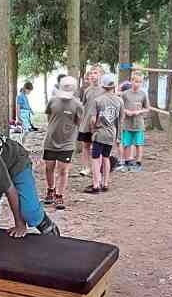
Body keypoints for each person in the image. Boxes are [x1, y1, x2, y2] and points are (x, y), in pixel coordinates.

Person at [42, 76, 82, 212]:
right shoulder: (52, 101)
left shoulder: (77, 105)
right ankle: (50, 189)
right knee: (49, 167)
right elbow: (49, 116)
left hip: (67, 143)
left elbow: (78, 122)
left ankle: (59, 195)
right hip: (50, 141)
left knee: (63, 170)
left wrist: (69, 132)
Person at [85, 73, 122, 194]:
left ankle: (96, 185)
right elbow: (120, 120)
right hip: (111, 134)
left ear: (103, 86)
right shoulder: (119, 101)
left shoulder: (98, 100)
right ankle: (106, 183)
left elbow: (92, 120)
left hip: (99, 133)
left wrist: (93, 130)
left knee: (95, 159)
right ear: (114, 86)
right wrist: (118, 136)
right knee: (106, 157)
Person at [119, 71, 152, 171]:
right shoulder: (125, 94)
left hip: (138, 124)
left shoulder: (143, 94)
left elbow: (147, 108)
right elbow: (120, 107)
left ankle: (138, 163)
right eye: (135, 81)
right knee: (126, 143)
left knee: (139, 143)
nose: (137, 84)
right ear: (131, 81)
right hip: (127, 123)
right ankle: (126, 162)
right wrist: (126, 111)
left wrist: (139, 112)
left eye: (139, 82)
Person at [76, 64, 103, 178]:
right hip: (86, 123)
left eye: (95, 73)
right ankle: (86, 167)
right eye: (91, 73)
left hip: (99, 124)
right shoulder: (87, 90)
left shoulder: (104, 90)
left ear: (101, 75)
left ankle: (98, 169)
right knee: (85, 146)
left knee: (98, 147)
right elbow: (83, 105)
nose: (92, 75)